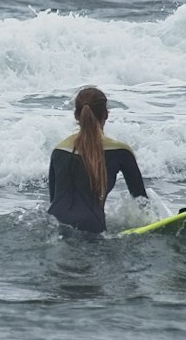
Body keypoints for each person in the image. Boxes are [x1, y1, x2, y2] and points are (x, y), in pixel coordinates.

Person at [48, 85, 147, 233]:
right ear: (106, 114)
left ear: (76, 115)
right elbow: (141, 202)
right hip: (92, 227)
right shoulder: (121, 151)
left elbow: (53, 198)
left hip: (52, 224)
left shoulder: (59, 150)